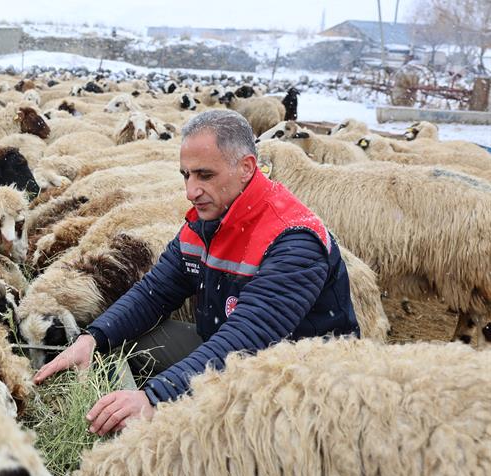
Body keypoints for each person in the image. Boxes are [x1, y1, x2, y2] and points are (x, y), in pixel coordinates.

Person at [33, 110, 360, 436]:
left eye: (204, 175)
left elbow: (251, 336)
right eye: (186, 175)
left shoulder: (292, 238)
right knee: (126, 342)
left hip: (299, 378)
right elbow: (155, 291)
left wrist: (155, 397)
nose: (191, 190)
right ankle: (117, 424)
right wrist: (93, 338)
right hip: (227, 349)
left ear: (246, 168)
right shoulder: (205, 224)